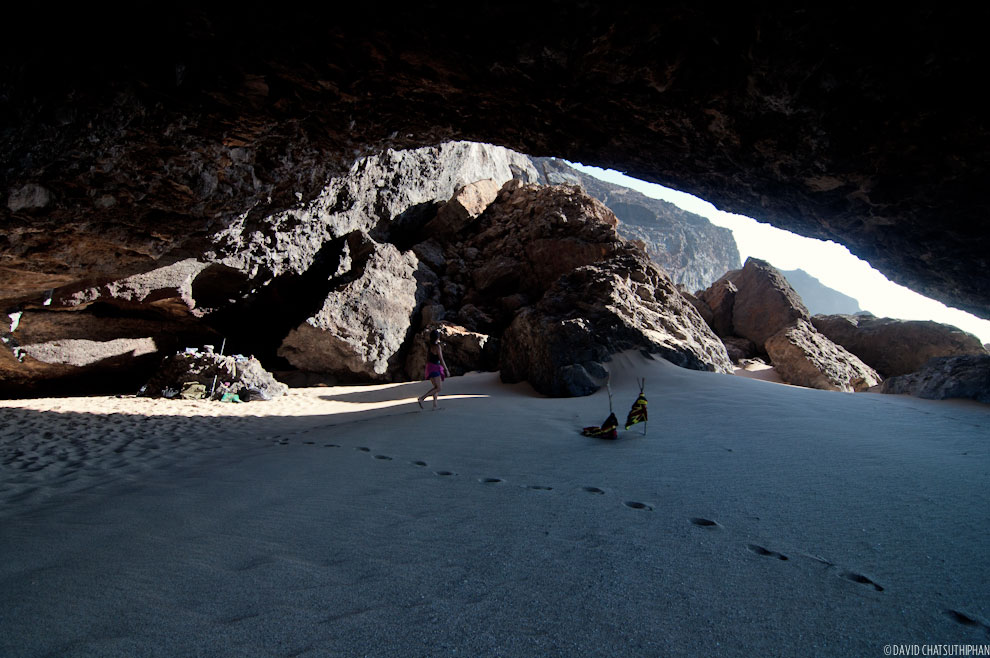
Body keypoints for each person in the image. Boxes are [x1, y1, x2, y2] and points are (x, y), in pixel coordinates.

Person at [417, 329, 448, 410]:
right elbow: (441, 359)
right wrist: (446, 369)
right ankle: (422, 398)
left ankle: (435, 405)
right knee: (439, 388)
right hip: (435, 367)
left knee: (435, 387)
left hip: (429, 367)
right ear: (437, 337)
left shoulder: (430, 346)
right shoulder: (437, 347)